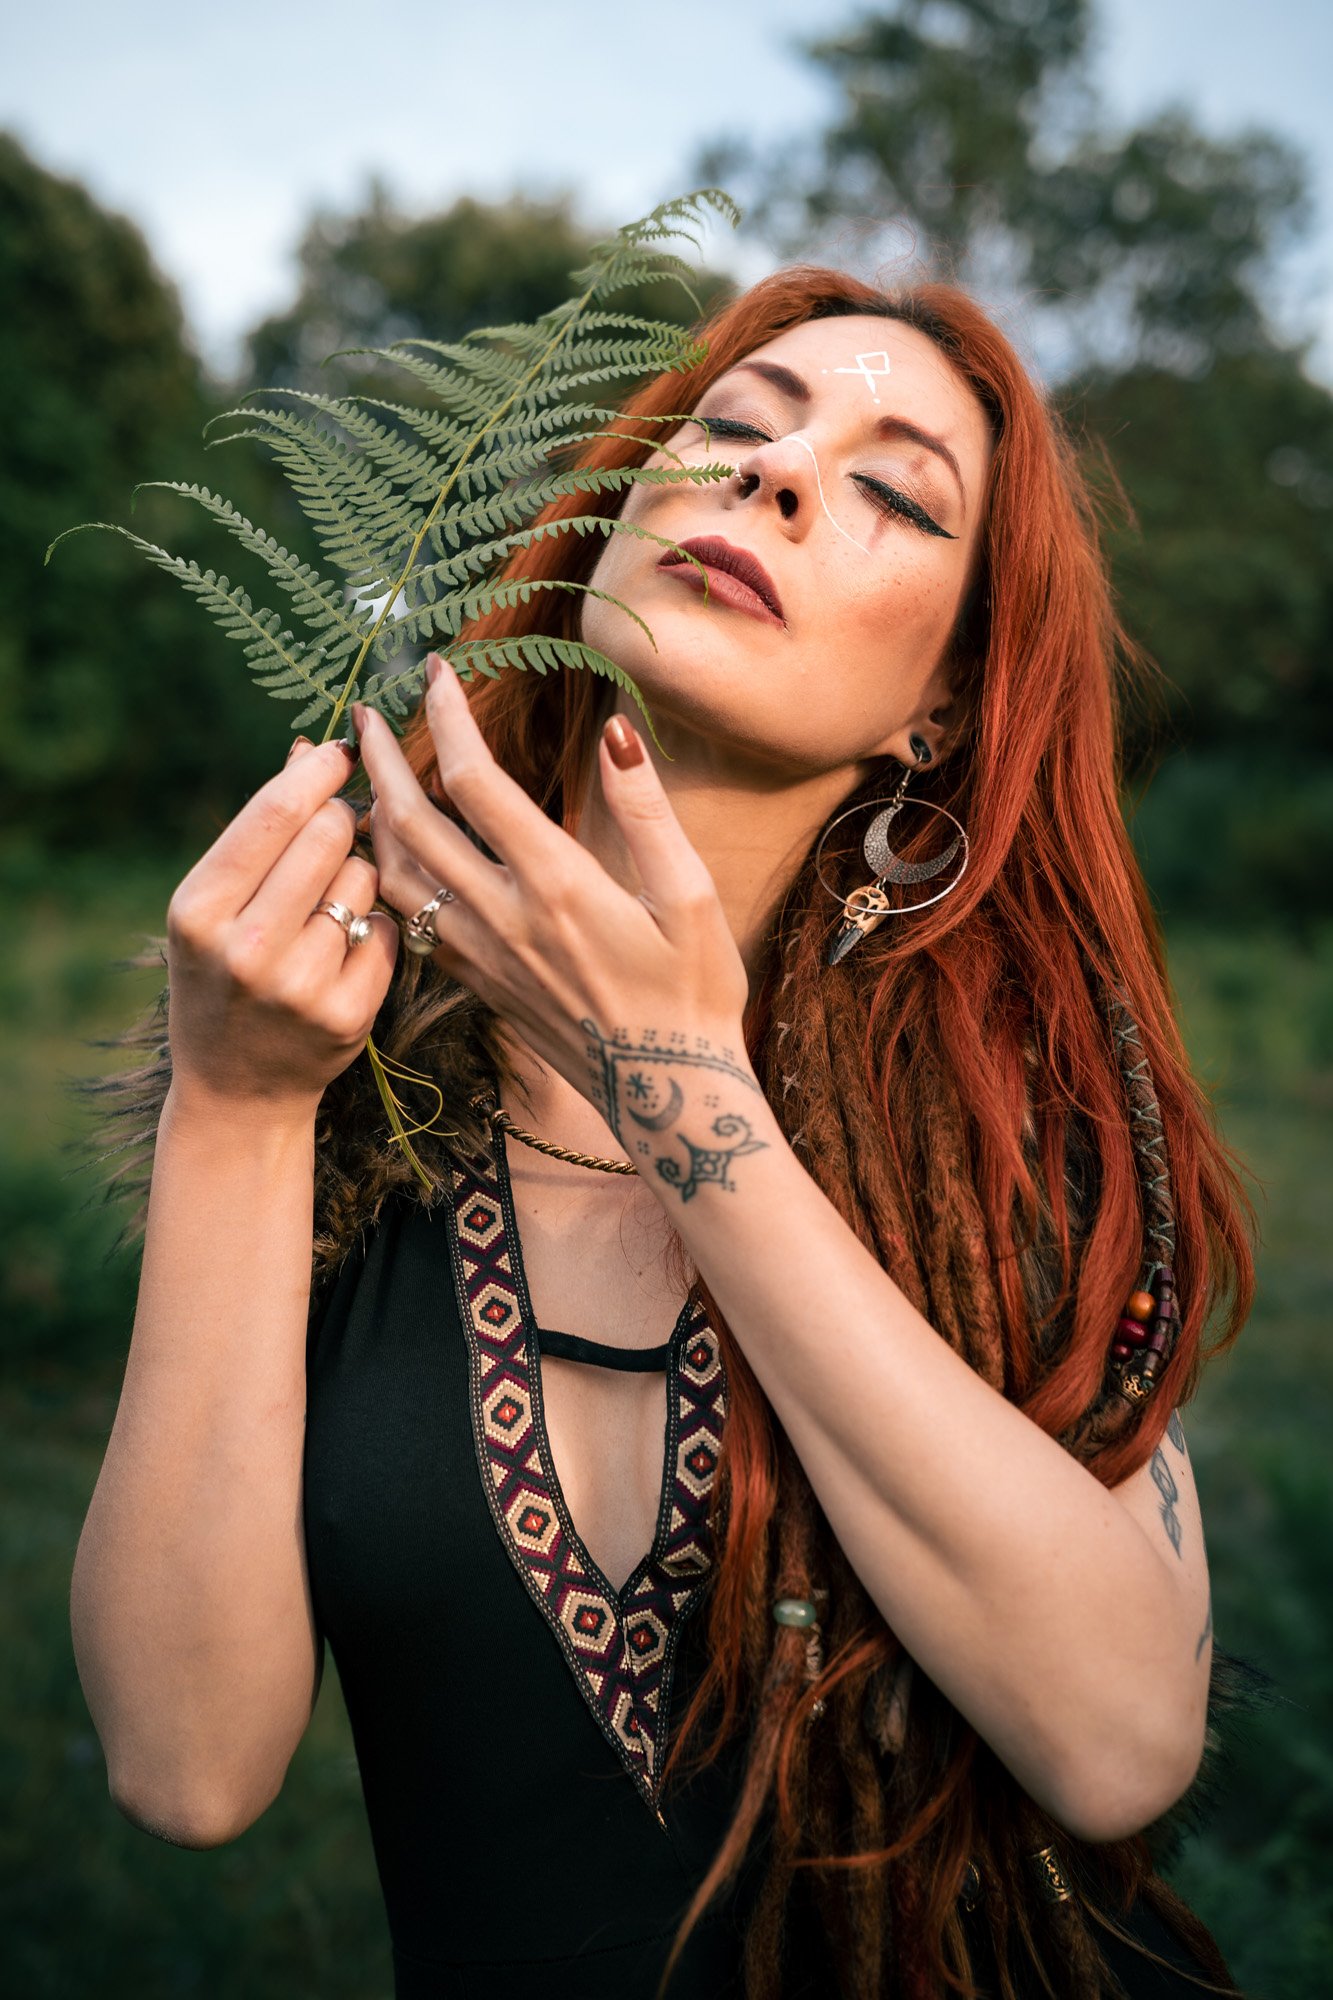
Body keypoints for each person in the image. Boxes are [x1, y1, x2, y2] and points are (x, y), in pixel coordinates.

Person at [71, 267, 1256, 1999]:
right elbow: (186, 1769)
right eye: (735, 428)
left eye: (891, 489)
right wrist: (237, 1113)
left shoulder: (1011, 1118)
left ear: (934, 709)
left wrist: (669, 1081)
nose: (775, 477)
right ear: (614, 518)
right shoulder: (340, 1092)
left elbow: (1116, 1739)